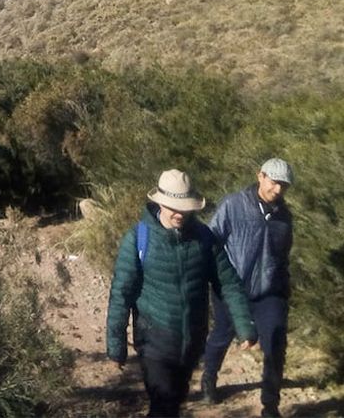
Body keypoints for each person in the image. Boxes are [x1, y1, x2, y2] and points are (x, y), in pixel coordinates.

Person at [106, 169, 257, 418]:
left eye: (185, 208)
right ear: (159, 203)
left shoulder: (205, 239)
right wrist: (116, 345)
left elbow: (228, 283)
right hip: (154, 337)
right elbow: (121, 293)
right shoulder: (138, 239)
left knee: (175, 401)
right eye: (174, 207)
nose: (180, 214)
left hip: (192, 340)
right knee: (163, 402)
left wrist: (244, 326)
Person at [201, 158, 294, 417]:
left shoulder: (284, 217)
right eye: (274, 183)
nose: (278, 190)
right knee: (222, 334)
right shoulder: (233, 205)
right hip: (232, 287)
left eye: (283, 186)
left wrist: (284, 289)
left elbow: (283, 256)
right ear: (260, 176)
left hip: (269, 290)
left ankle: (270, 404)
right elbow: (211, 241)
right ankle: (209, 377)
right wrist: (216, 277)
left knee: (275, 340)